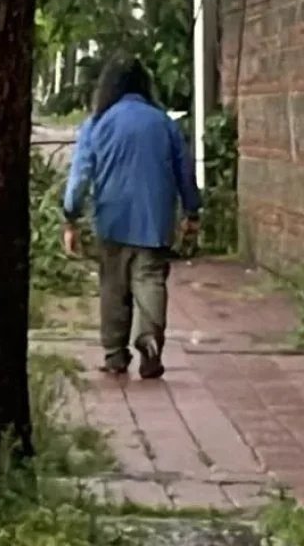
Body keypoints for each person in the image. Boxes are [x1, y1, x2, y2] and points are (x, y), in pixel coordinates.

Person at [62, 55, 201, 379]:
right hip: (155, 219)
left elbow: (80, 175)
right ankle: (150, 340)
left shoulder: (97, 123)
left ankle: (114, 354)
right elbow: (185, 171)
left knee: (113, 285)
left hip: (111, 219)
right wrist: (192, 210)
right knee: (150, 279)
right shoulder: (163, 122)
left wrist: (71, 214)